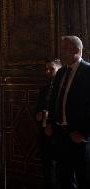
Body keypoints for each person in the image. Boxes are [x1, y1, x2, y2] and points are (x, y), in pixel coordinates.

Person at [49, 36, 90, 189]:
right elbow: (54, 100)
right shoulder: (60, 73)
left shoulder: (88, 71)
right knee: (63, 178)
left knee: (83, 178)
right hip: (61, 135)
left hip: (80, 137)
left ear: (77, 50)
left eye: (65, 48)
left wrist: (84, 133)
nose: (61, 52)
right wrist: (51, 124)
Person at [35, 59, 61, 189]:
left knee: (58, 166)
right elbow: (37, 108)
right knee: (46, 164)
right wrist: (38, 115)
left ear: (59, 70)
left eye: (51, 69)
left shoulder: (62, 89)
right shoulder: (44, 89)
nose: (48, 71)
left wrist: (51, 121)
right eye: (46, 69)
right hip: (43, 132)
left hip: (57, 133)